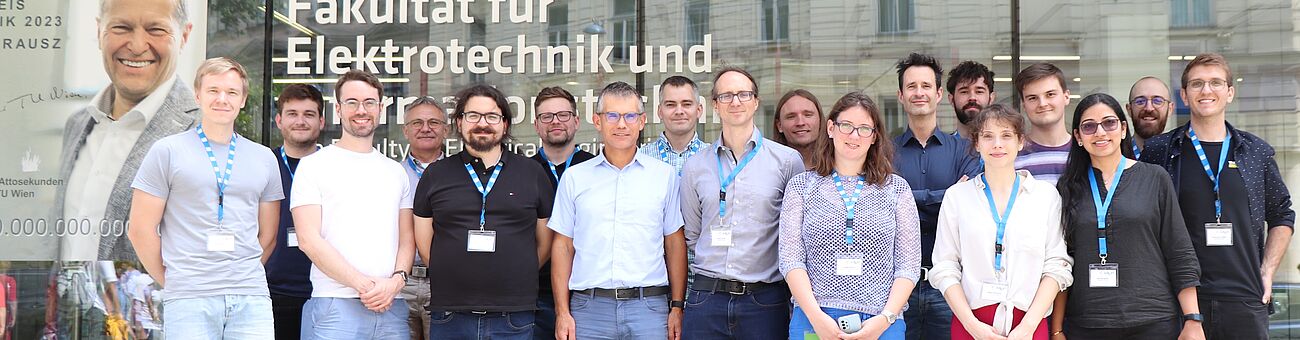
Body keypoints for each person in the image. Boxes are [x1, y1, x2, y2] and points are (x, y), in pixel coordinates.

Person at [1139, 53, 1295, 339]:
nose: (1206, 90)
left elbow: (1282, 214)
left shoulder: (1255, 152)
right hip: (1177, 301)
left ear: (1230, 93)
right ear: (1184, 95)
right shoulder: (1160, 150)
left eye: (1215, 83)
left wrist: (1267, 272)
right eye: (1197, 84)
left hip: (1245, 297)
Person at [126, 57, 283, 337]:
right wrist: (173, 279)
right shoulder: (167, 151)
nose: (222, 99)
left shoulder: (264, 158)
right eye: (213, 90)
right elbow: (140, 229)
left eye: (232, 92)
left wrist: (238, 275)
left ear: (243, 100)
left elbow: (268, 235)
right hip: (189, 298)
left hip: (251, 298)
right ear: (198, 95)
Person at [1047, 93, 1203, 339]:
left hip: (1153, 320)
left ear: (1122, 129)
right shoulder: (1067, 187)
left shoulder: (1155, 178)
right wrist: (1056, 329)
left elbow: (1179, 251)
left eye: (1109, 123)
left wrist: (1193, 319)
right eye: (1089, 126)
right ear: (1077, 136)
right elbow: (1060, 260)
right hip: (1087, 324)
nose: (1100, 132)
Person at [58, 0, 200, 261]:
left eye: (156, 30)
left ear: (184, 36)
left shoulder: (203, 134)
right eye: (121, 27)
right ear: (100, 32)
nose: (136, 46)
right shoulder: (77, 125)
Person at [412, 84, 554, 339]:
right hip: (451, 313)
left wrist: (517, 269)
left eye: (492, 116)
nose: (482, 123)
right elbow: (424, 241)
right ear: (459, 122)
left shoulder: (532, 173)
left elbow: (545, 241)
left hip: (513, 313)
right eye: (473, 115)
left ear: (505, 124)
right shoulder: (436, 174)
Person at [550, 81, 688, 340]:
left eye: (630, 116)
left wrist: (677, 308)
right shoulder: (575, 178)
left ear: (642, 121)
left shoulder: (663, 176)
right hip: (589, 310)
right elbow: (563, 247)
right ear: (597, 120)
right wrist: (562, 312)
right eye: (612, 115)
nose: (621, 124)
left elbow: (674, 243)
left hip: (649, 308)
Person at [780, 91, 920, 340]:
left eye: (864, 128)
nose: (854, 135)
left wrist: (884, 319)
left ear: (874, 137)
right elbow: (791, 260)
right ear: (831, 128)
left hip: (881, 322)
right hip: (815, 319)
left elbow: (908, 266)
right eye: (846, 126)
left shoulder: (896, 189)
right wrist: (816, 317)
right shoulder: (801, 187)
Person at [680, 67, 804, 339]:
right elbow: (692, 233)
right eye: (726, 96)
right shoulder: (695, 166)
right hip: (706, 299)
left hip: (764, 301)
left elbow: (793, 235)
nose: (735, 102)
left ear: (756, 101)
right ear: (714, 105)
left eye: (743, 94)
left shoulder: (787, 161)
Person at [930, 104, 1073, 340]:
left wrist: (1027, 328)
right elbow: (945, 267)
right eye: (988, 136)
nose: (997, 144)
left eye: (1006, 135)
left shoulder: (1045, 196)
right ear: (976, 143)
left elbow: (1057, 266)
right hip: (971, 324)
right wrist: (972, 326)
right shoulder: (957, 197)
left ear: (1020, 142)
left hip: (1029, 323)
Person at [292, 69, 414, 339]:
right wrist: (364, 285)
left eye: (369, 102)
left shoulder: (396, 171)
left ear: (380, 109)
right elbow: (308, 239)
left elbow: (407, 239)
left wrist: (396, 283)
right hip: (335, 305)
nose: (362, 110)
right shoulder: (313, 166)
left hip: (391, 304)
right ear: (338, 109)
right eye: (352, 102)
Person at [891, 53, 980, 340]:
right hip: (895, 286)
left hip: (949, 285)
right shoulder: (883, 153)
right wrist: (948, 195)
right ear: (901, 95)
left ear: (939, 94)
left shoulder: (965, 150)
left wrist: (903, 197)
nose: (919, 93)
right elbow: (882, 208)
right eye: (912, 87)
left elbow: (966, 208)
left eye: (926, 86)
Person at [528, 86, 594, 340]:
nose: (555, 121)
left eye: (563, 115)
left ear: (577, 121)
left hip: (586, 294)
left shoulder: (596, 168)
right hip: (535, 295)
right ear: (536, 125)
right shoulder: (521, 172)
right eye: (547, 116)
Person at [265, 83, 325, 340]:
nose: (300, 121)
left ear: (322, 121)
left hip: (325, 290)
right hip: (271, 290)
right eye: (292, 113)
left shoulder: (334, 166)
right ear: (279, 120)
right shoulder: (263, 164)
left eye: (309, 114)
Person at [399, 95, 448, 340]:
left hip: (444, 282)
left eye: (434, 122)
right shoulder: (390, 175)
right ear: (406, 131)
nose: (426, 128)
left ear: (446, 130)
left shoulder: (459, 176)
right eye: (417, 123)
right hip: (399, 283)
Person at [1013, 63, 1073, 184]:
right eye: (1033, 98)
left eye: (1050, 94)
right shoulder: (1010, 154)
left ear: (1066, 97)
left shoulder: (1086, 151)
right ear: (1024, 105)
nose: (1042, 104)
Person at [639, 76, 708, 174]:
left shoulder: (712, 158)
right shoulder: (641, 158)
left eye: (687, 104)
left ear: (698, 110)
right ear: (660, 111)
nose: (679, 111)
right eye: (671, 105)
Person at [774, 89, 826, 168]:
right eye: (791, 117)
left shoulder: (840, 166)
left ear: (820, 120)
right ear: (779, 126)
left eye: (808, 115)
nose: (800, 123)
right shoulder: (767, 168)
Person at [946, 61, 997, 140]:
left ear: (991, 98)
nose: (972, 97)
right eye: (964, 92)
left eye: (979, 92)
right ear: (951, 99)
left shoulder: (1005, 149)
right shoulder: (941, 150)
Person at [1125, 77, 1173, 157]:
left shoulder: (1179, 157)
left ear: (1170, 109)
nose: (1149, 108)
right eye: (1140, 101)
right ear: (1129, 109)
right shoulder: (1116, 157)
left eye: (1157, 101)